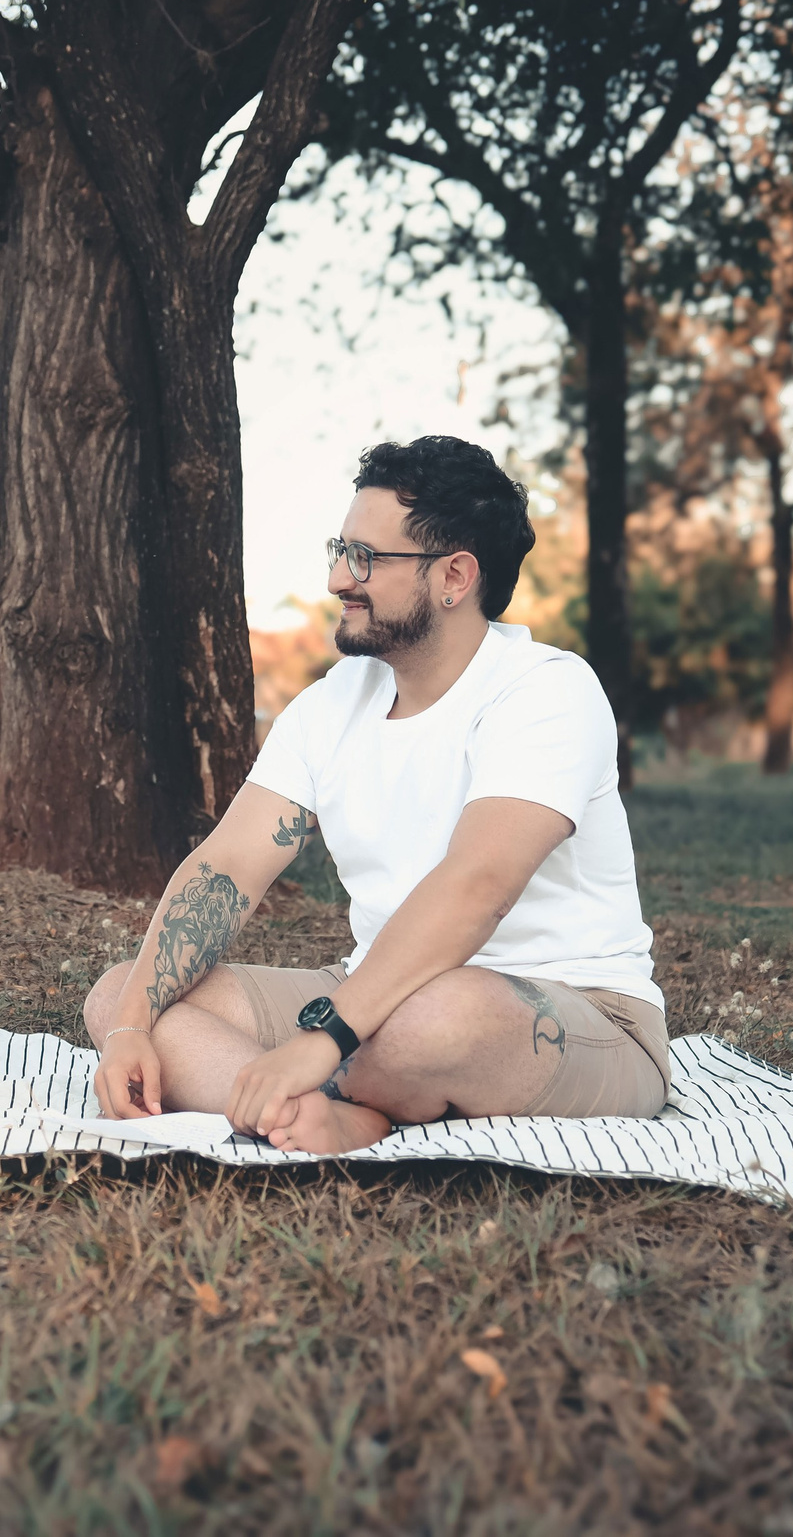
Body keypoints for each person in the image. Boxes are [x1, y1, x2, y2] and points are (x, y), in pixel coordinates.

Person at [83, 435, 665, 1154]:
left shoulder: (546, 689)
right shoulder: (333, 704)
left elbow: (478, 885)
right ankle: (320, 1115)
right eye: (340, 548)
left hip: (571, 1012)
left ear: (454, 576)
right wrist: (135, 1027)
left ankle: (318, 1087)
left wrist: (324, 1038)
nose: (336, 578)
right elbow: (226, 867)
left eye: (365, 557)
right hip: (371, 1002)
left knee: (434, 1020)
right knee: (120, 995)